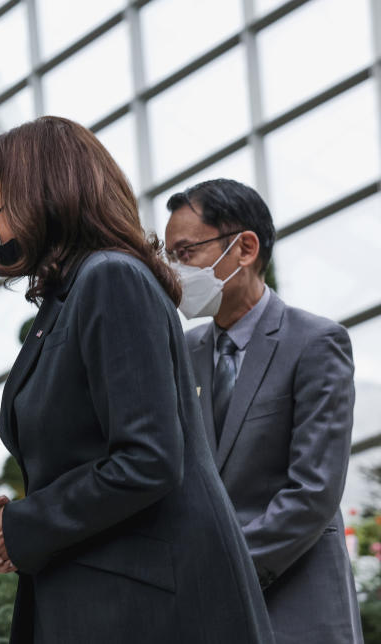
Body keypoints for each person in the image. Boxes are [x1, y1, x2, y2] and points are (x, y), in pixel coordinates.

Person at [0, 116, 274, 644]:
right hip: (111, 597)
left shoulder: (110, 278)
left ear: (37, 193)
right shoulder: (74, 294)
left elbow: (147, 460)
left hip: (143, 609)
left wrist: (22, 529)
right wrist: (19, 522)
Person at [163, 179, 362, 644]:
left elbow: (313, 491)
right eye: (170, 257)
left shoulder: (315, 343)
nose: (174, 272)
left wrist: (220, 574)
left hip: (298, 603)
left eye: (186, 252)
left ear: (245, 248)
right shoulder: (182, 352)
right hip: (205, 614)